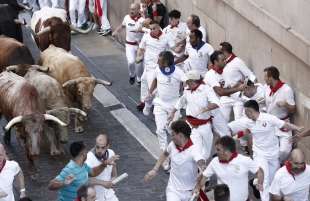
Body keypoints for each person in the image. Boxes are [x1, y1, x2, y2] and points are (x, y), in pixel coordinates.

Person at [228, 100, 304, 201]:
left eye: (246, 111)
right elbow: (232, 127)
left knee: (273, 180)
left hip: (273, 154)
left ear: (250, 111)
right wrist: (230, 137)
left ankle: (257, 184)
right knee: (264, 179)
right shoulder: (246, 121)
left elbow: (284, 125)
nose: (245, 114)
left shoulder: (268, 118)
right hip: (259, 154)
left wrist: (297, 128)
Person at [144, 120, 206, 201]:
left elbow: (204, 169)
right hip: (173, 190)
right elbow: (165, 154)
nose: (171, 137)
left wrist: (198, 186)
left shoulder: (194, 150)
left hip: (190, 193)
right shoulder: (172, 145)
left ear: (180, 135)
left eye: (173, 134)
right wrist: (155, 169)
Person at [146, 51, 186, 170]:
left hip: (173, 105)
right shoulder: (158, 69)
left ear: (167, 61)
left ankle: (178, 152)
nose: (158, 61)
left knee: (172, 131)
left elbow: (187, 81)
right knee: (160, 130)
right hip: (160, 103)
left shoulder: (178, 72)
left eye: (160, 60)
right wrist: (150, 92)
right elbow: (155, 80)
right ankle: (165, 159)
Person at [168, 70, 219, 159]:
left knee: (206, 153)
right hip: (192, 126)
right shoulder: (187, 91)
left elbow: (216, 102)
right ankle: (198, 168)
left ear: (192, 81)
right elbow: (181, 101)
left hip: (205, 125)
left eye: (187, 81)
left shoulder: (206, 89)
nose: (186, 83)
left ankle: (201, 166)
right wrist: (172, 112)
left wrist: (205, 108)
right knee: (196, 150)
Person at [194, 136, 264, 201]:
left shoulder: (244, 160)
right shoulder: (215, 162)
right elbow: (204, 176)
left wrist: (260, 183)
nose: (216, 152)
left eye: (218, 150)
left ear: (226, 152)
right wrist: (198, 187)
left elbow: (259, 171)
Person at [48, 141, 120, 201]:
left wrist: (104, 164)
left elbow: (93, 172)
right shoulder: (70, 169)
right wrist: (64, 183)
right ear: (83, 153)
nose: (87, 153)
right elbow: (50, 186)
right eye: (86, 151)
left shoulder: (83, 166)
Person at [135, 21, 176, 114]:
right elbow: (141, 48)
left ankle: (151, 106)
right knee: (143, 80)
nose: (152, 30)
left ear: (159, 28)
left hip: (156, 67)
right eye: (150, 29)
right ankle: (143, 101)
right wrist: (139, 56)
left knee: (152, 88)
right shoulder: (146, 36)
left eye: (154, 28)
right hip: (147, 66)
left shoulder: (166, 37)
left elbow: (174, 48)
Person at [204, 50, 245, 137]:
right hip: (206, 108)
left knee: (224, 133)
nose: (225, 61)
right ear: (215, 62)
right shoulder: (210, 75)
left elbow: (226, 90)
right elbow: (220, 92)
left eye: (225, 59)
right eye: (222, 60)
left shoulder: (223, 72)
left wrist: (236, 85)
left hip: (214, 108)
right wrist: (238, 88)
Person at [263, 66, 296, 162]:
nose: (264, 79)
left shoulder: (286, 90)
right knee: (267, 148)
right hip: (269, 123)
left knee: (284, 150)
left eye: (265, 76)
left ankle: (278, 164)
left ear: (271, 77)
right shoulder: (266, 88)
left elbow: (293, 109)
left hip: (283, 123)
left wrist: (285, 104)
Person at [219, 42, 256, 122]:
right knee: (222, 120)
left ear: (225, 52)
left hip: (237, 97)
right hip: (226, 96)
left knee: (238, 122)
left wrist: (244, 85)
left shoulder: (237, 61)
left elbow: (251, 76)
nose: (219, 54)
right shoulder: (221, 62)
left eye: (220, 52)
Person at [112, 3, 145, 85]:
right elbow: (122, 26)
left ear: (138, 10)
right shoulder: (126, 18)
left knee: (139, 64)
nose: (131, 11)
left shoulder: (142, 20)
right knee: (131, 62)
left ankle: (139, 79)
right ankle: (132, 75)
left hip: (139, 46)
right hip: (129, 45)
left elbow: (148, 30)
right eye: (131, 9)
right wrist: (116, 31)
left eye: (133, 9)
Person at [85, 134, 119, 201]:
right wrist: (103, 183)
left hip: (110, 195)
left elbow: (114, 175)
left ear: (107, 146)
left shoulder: (111, 153)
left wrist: (112, 181)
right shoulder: (89, 157)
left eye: (103, 147)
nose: (99, 150)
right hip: (95, 198)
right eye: (97, 147)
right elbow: (86, 180)